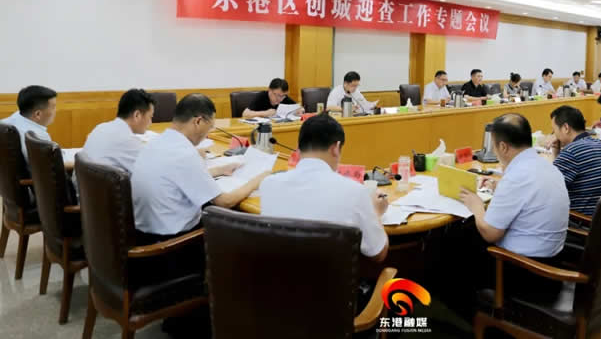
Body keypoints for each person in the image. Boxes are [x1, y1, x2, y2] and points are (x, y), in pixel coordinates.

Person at [459, 113, 569, 302]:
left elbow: (490, 234)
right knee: (467, 230)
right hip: (553, 264)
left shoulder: (517, 176)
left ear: (503, 147)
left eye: (494, 146)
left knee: (455, 240)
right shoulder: (546, 166)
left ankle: (466, 310)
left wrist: (476, 206)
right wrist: (501, 188)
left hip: (529, 274)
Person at [131, 94, 267, 238]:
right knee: (244, 228)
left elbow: (178, 175)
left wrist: (219, 170)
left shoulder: (156, 142)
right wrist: (258, 180)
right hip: (174, 241)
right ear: (198, 121)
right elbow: (224, 201)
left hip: (143, 232)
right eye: (210, 127)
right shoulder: (185, 153)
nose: (208, 133)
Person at [260, 114, 388, 262]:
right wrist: (376, 212)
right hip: (333, 277)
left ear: (298, 148)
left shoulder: (268, 184)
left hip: (277, 275)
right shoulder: (355, 192)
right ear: (336, 148)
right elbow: (378, 253)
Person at [76, 89, 155, 196]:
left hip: (88, 198)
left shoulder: (100, 128)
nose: (151, 122)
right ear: (137, 115)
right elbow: (151, 172)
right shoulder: (127, 140)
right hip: (106, 201)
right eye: (150, 117)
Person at [547, 106, 601, 216]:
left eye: (554, 130)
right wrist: (556, 150)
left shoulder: (571, 152)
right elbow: (559, 178)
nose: (554, 135)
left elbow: (549, 190)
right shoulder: (600, 144)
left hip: (581, 220)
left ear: (566, 128)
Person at [2, 85, 60, 167]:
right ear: (38, 114)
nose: (56, 110)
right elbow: (49, 167)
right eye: (53, 107)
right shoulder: (37, 136)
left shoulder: (12, 118)